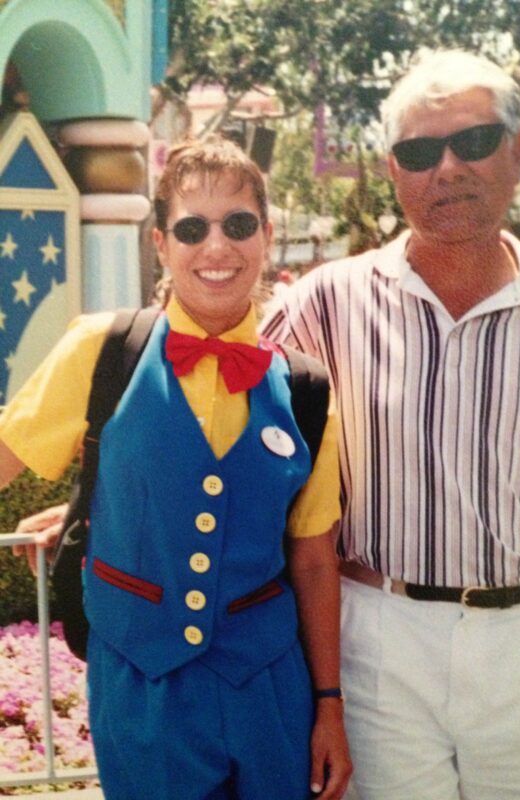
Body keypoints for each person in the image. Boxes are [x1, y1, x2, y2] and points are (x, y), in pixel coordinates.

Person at [261, 50, 520, 799]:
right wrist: (108, 495)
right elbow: (207, 408)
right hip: (377, 639)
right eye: (419, 152)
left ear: (519, 149)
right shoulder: (322, 305)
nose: (446, 169)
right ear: (392, 171)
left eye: (473, 142)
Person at [0, 135, 352, 800]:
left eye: (239, 224)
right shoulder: (100, 353)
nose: (217, 247)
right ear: (161, 243)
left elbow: (312, 559)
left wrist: (329, 702)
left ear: (267, 236)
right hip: (143, 685)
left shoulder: (305, 390)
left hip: (268, 687)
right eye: (192, 227)